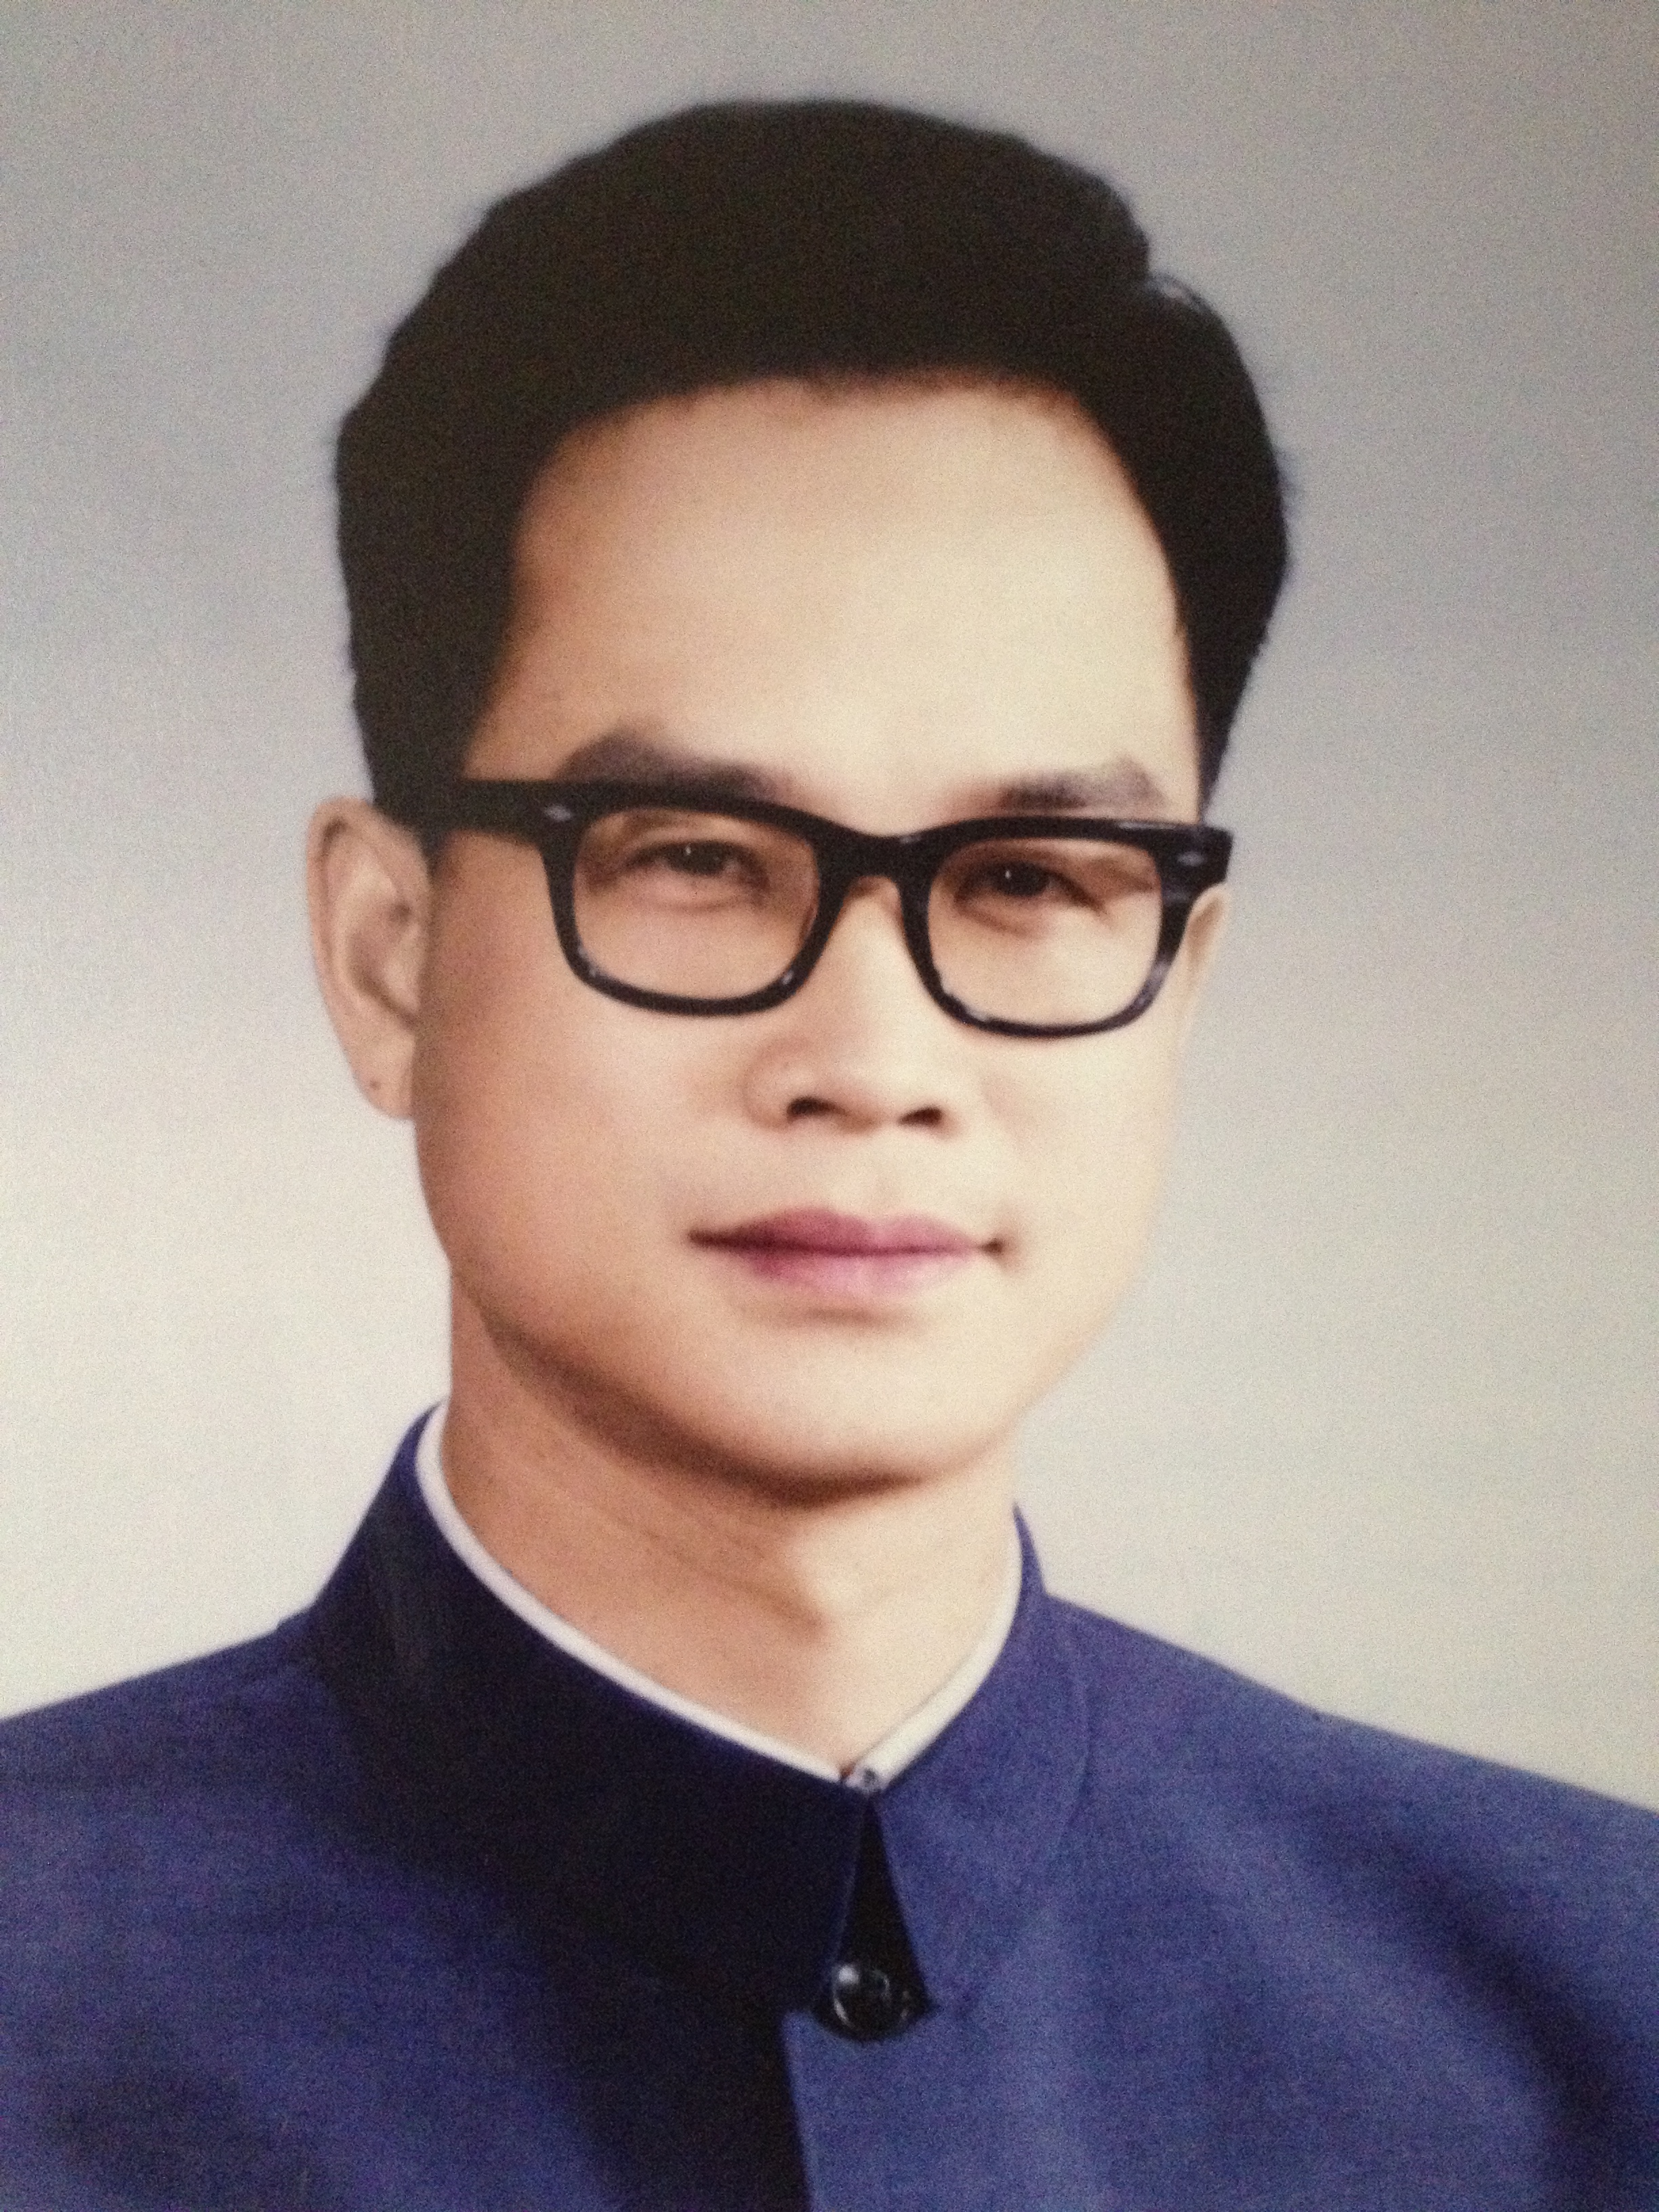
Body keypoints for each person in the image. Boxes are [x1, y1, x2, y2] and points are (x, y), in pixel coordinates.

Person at [1, 98, 1652, 2212]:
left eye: (1032, 878)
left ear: (1180, 978)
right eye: (694, 856)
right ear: (389, 957)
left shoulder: (1598, 2018)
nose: (873, 1060)